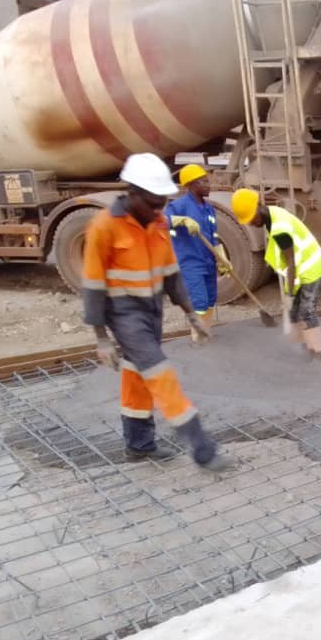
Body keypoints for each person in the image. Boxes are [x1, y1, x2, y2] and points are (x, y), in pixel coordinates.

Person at [82, 153, 231, 471]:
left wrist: (191, 315)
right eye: (152, 203)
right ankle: (201, 446)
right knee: (160, 374)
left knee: (138, 376)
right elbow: (93, 284)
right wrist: (101, 338)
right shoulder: (104, 227)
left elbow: (171, 276)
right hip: (122, 313)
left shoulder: (159, 222)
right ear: (132, 193)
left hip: (152, 310)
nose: (158, 210)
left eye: (161, 203)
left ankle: (139, 446)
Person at [231, 188, 321, 359]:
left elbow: (291, 262)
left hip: (311, 267)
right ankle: (303, 346)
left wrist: (290, 293)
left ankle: (318, 353)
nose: (250, 223)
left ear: (258, 206)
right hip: (302, 267)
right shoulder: (271, 214)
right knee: (295, 311)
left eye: (250, 218)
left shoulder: (279, 228)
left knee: (307, 310)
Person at [164, 164, 230, 342]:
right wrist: (181, 219)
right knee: (199, 300)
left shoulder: (209, 209)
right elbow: (162, 220)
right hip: (190, 262)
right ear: (192, 185)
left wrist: (222, 259)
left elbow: (214, 237)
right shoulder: (179, 205)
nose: (209, 185)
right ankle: (197, 337)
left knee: (210, 299)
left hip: (208, 260)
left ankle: (206, 332)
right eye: (204, 182)